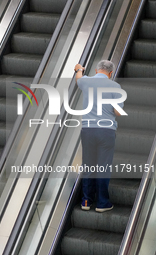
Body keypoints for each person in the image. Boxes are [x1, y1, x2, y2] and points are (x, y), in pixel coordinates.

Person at [74, 60, 124, 213]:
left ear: (96, 71)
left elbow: (79, 78)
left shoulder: (87, 82)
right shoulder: (116, 87)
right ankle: (102, 203)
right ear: (111, 73)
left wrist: (78, 69)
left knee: (88, 164)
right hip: (106, 131)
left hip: (88, 130)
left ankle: (86, 201)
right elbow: (118, 112)